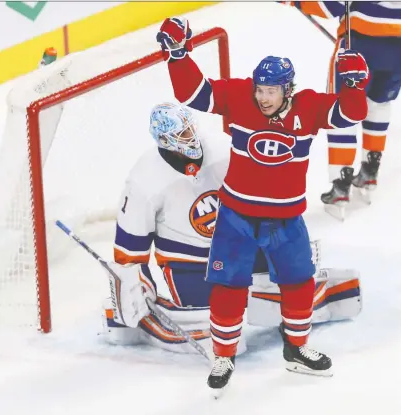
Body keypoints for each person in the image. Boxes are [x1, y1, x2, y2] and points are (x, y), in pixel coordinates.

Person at [156, 16, 369, 394]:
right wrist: (178, 55)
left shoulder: (309, 107)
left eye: (271, 90)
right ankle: (223, 355)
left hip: (287, 219)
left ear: (288, 90)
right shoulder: (239, 98)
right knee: (227, 286)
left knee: (300, 283)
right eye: (260, 89)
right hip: (237, 217)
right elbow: (195, 94)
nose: (263, 97)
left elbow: (350, 114)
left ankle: (296, 349)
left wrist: (354, 85)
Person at [102, 102, 361, 358]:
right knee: (211, 320)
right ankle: (147, 325)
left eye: (191, 128)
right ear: (165, 140)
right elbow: (130, 248)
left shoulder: (223, 147)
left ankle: (306, 296)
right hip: (189, 264)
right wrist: (137, 289)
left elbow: (265, 193)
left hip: (239, 243)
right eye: (182, 134)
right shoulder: (144, 180)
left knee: (279, 289)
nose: (191, 137)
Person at [283, 2, 401, 217]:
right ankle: (370, 170)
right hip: (398, 51)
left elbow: (330, 6)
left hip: (360, 42)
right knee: (379, 104)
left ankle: (341, 183)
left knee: (342, 110)